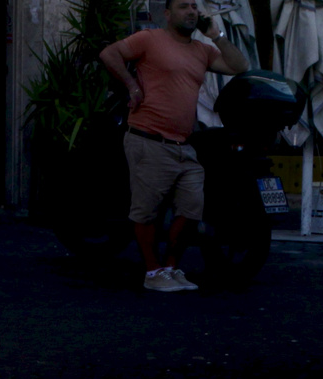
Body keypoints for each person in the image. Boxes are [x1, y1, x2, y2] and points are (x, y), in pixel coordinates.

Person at [100, 0, 249, 293]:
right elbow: (109, 53)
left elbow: (239, 66)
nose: (191, 11)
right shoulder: (150, 39)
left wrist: (216, 35)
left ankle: (170, 267)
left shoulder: (202, 50)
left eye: (194, 6)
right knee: (147, 212)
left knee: (192, 208)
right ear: (168, 14)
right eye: (183, 6)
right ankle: (152, 272)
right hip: (148, 138)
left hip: (184, 144)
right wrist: (132, 85)